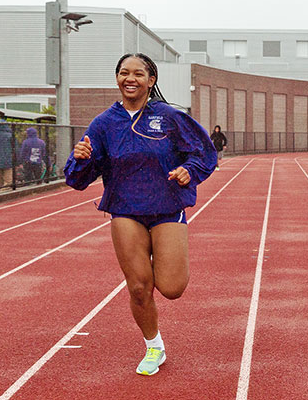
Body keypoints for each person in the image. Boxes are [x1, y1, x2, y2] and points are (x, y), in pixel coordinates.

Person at [64, 53, 217, 376]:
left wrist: (189, 171)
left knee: (172, 287)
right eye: (123, 73)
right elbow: (78, 179)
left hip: (165, 207)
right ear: (117, 78)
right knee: (138, 287)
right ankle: (153, 346)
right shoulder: (104, 124)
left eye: (138, 73)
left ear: (151, 80)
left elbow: (203, 153)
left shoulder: (170, 117)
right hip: (125, 209)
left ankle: (159, 259)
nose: (129, 79)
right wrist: (80, 159)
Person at [0, 121, 15, 188]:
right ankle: (8, 191)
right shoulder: (10, 136)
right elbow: (15, 148)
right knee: (8, 180)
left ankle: (1, 190)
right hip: (8, 160)